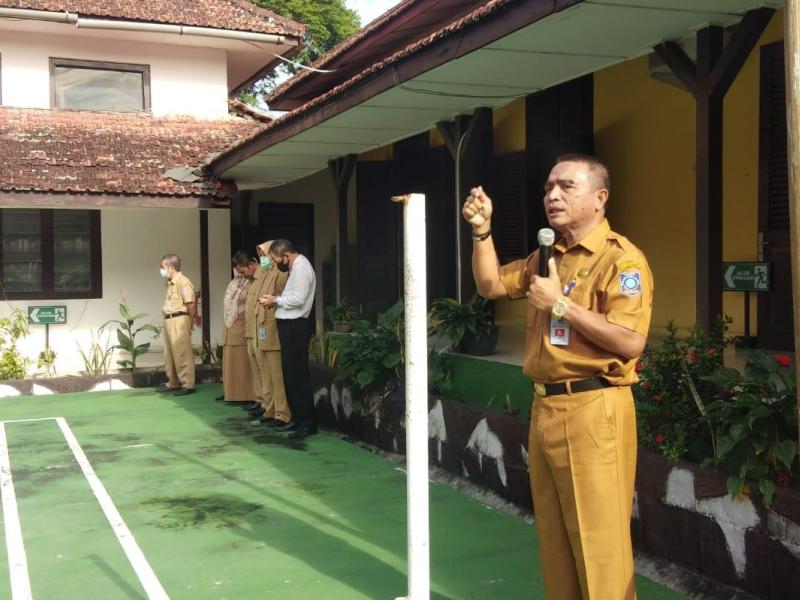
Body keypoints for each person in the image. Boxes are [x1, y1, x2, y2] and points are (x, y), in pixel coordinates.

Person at [463, 154, 653, 600]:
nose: (552, 195)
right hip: (546, 406)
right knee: (556, 541)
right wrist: (482, 231)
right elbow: (491, 285)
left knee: (599, 544)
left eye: (567, 186)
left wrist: (561, 305)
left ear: (600, 198)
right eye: (549, 187)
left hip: (594, 407)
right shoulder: (548, 255)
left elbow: (630, 341)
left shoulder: (621, 260)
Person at [261, 239, 317, 439]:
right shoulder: (295, 267)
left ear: (286, 255)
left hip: (296, 325)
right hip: (289, 325)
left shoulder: (301, 267)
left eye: (276, 259)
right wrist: (276, 302)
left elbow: (299, 299)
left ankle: (307, 422)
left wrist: (275, 299)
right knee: (290, 375)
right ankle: (298, 418)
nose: (275, 263)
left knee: (297, 375)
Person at [244, 241, 291, 425]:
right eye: (261, 255)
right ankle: (270, 408)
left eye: (266, 255)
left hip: (271, 327)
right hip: (260, 326)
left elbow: (282, 296)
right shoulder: (265, 273)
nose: (263, 258)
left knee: (276, 375)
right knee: (266, 373)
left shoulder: (280, 273)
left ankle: (282, 413)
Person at [156, 253, 200, 396]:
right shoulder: (170, 283)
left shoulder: (183, 282)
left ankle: (187, 384)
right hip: (169, 319)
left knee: (182, 352)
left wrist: (190, 321)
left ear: (172, 267)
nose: (161, 270)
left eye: (163, 267)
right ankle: (173, 382)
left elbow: (191, 304)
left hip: (180, 319)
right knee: (169, 353)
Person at [220, 252, 257, 404]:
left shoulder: (252, 282)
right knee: (230, 360)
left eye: (241, 269)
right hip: (230, 324)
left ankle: (245, 394)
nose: (239, 273)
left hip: (242, 324)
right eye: (237, 269)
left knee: (242, 361)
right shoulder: (234, 282)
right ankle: (231, 393)